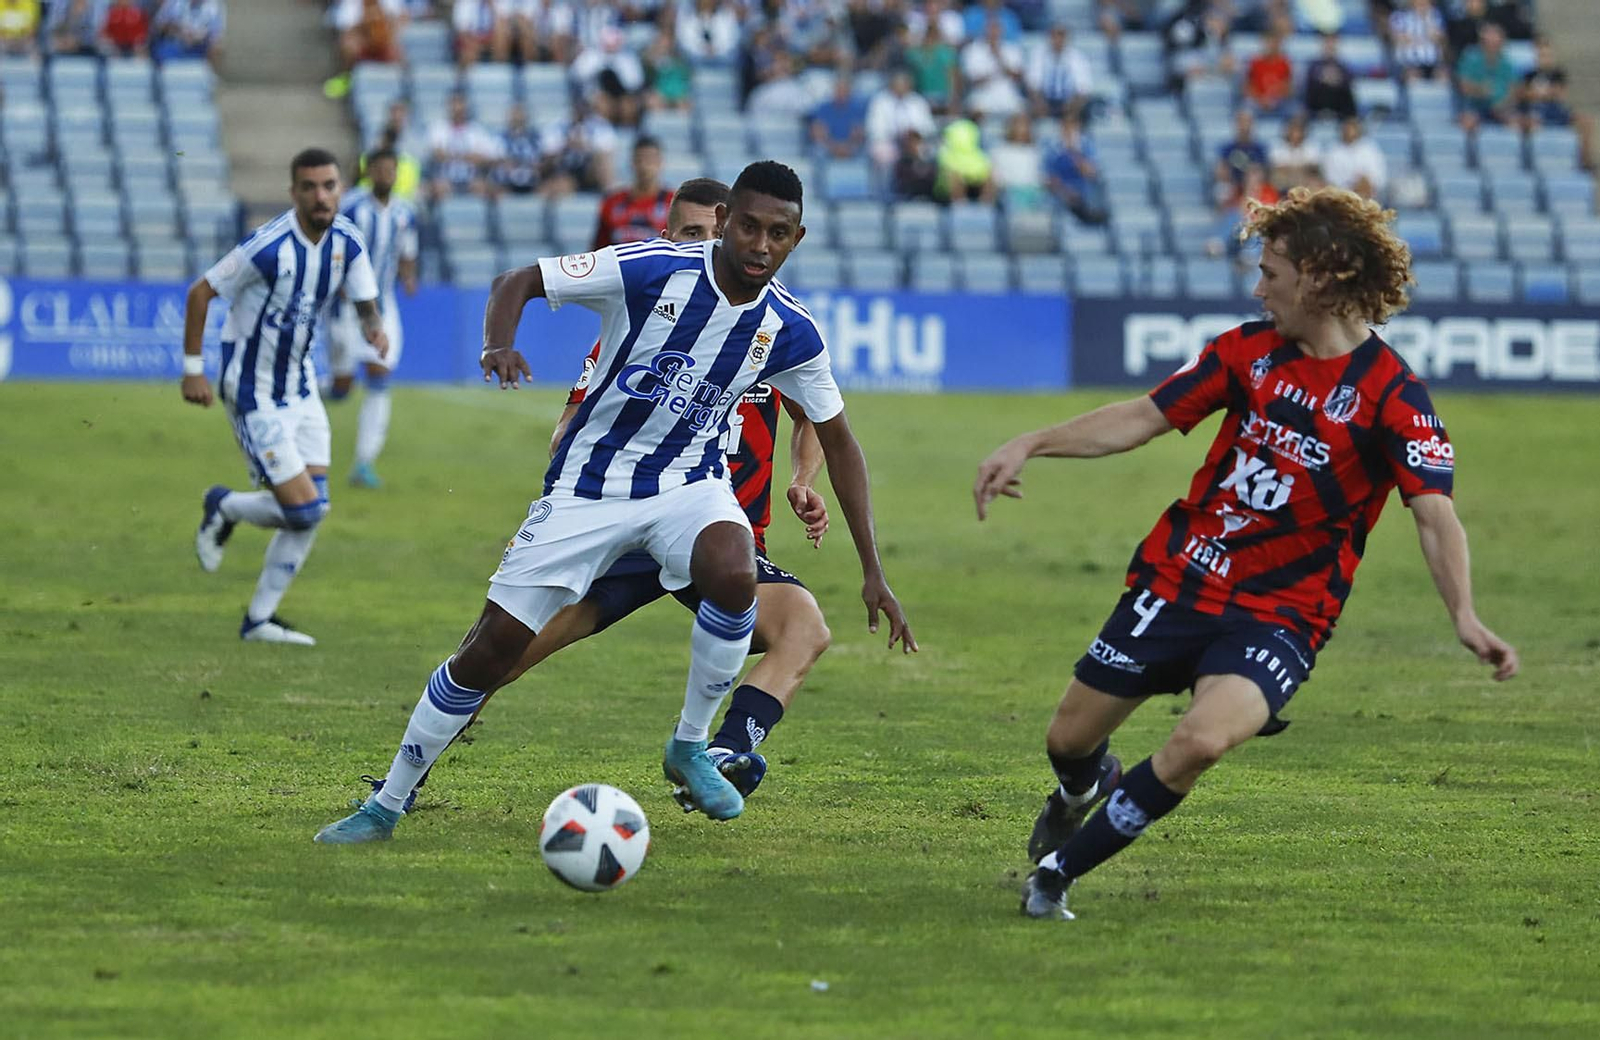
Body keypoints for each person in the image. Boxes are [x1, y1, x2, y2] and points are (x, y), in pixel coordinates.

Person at [314, 160, 916, 844]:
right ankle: (388, 801)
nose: (759, 244)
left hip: (688, 488)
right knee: (492, 651)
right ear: (726, 225)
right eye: (747, 226)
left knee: (733, 561)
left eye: (777, 233)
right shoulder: (649, 272)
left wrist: (872, 567)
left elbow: (837, 439)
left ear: (796, 238)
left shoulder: (790, 329)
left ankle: (693, 747)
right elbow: (520, 282)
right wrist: (499, 343)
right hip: (591, 494)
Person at [974, 185, 1519, 922]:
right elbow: (1142, 417)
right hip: (1181, 579)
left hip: (1282, 616)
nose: (1258, 288)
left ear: (1320, 278)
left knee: (1199, 742)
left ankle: (1056, 875)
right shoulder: (1248, 352)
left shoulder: (1396, 398)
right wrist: (1033, 442)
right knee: (1068, 739)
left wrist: (1465, 615)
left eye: (1271, 272)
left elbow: (1434, 514)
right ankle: (1080, 789)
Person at [185, 148, 388, 646]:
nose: (321, 196)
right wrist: (193, 370)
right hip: (253, 390)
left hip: (301, 387)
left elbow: (364, 295)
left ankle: (259, 620)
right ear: (293, 192)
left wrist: (373, 326)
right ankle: (225, 506)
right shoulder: (268, 247)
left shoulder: (347, 240)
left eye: (329, 186)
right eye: (310, 187)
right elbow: (201, 292)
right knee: (303, 510)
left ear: (341, 188)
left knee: (312, 511)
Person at [326, 148, 419, 490]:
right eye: (378, 169)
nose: (384, 175)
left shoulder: (406, 212)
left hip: (384, 306)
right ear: (369, 173)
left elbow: (408, 250)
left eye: (389, 169)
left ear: (396, 172)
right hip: (346, 310)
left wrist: (409, 276)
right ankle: (315, 397)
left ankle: (364, 462)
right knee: (342, 387)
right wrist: (338, 283)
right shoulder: (351, 207)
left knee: (380, 375)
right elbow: (332, 245)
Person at [592, 136, 673, 249]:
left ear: (660, 162)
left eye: (650, 160)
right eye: (639, 159)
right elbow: (598, 249)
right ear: (632, 162)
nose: (644, 166)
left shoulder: (673, 203)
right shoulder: (612, 202)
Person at [1303, 32, 1357, 121]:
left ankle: (1350, 121)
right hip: (1317, 105)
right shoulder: (1314, 65)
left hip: (1339, 106)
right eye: (1327, 43)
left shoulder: (1343, 66)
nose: (1330, 46)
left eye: (1332, 43)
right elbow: (1310, 84)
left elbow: (1349, 82)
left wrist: (1336, 79)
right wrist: (1324, 78)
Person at [151, 0, 225, 65]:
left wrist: (200, 38)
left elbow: (216, 38)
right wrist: (177, 29)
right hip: (173, 46)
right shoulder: (174, 2)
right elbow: (158, 25)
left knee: (215, 51)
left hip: (199, 49)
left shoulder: (215, 6)